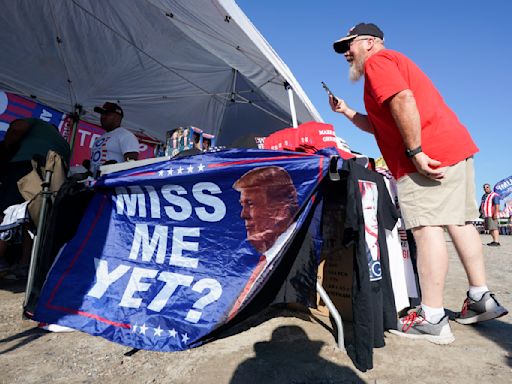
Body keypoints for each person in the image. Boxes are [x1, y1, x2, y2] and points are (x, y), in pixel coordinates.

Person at [330, 23, 507, 344]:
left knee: (426, 229)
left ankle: (432, 316)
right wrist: (345, 111)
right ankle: (481, 298)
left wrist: (415, 151)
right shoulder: (394, 62)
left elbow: (402, 100)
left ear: (370, 42)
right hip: (453, 145)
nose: (346, 53)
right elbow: (381, 124)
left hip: (425, 154)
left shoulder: (378, 64)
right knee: (460, 222)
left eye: (349, 45)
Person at [0, 118, 71, 275]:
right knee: (31, 218)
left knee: (5, 211)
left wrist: (6, 148)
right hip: (48, 176)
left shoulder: (37, 123)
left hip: (24, 166)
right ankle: (25, 264)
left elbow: (17, 129)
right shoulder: (64, 145)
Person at [228, 166, 299, 319]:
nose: (243, 215)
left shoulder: (295, 253)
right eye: (243, 205)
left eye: (250, 204)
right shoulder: (267, 255)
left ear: (281, 209)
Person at [90, 102, 139, 177]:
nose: (102, 117)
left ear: (117, 117)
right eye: (101, 114)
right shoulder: (100, 138)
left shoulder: (126, 135)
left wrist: (112, 169)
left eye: (106, 114)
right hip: (95, 183)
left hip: (113, 184)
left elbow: (132, 164)